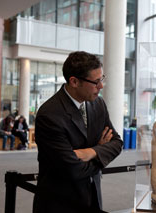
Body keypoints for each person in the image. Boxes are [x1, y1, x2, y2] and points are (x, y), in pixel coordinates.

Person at [33, 51, 123, 213]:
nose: (101, 86)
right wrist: (101, 150)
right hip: (60, 204)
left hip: (93, 199)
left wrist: (91, 152)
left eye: (102, 79)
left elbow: (116, 143)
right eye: (96, 82)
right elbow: (72, 170)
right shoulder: (50, 114)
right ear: (74, 82)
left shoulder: (98, 104)